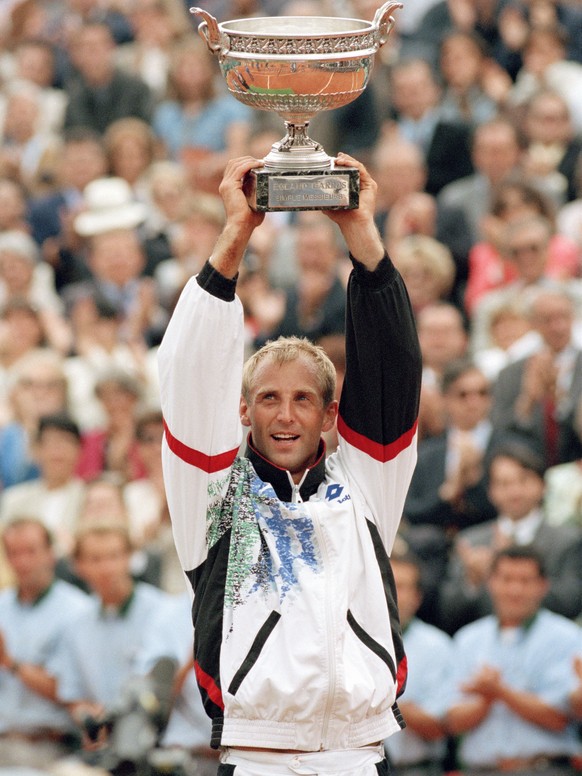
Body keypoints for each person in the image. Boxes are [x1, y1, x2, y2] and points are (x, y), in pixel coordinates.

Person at [158, 153, 422, 774]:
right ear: (243, 414)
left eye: (303, 399)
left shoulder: (365, 485)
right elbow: (189, 370)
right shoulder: (213, 495)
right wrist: (236, 234)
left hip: (360, 755)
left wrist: (360, 233)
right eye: (268, 399)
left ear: (331, 415)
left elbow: (393, 368)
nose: (285, 415)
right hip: (257, 757)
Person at [445, 544, 582, 776]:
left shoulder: (567, 637)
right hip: (480, 770)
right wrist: (487, 700)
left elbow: (561, 717)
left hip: (546, 769)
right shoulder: (468, 639)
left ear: (543, 586)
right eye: (506, 579)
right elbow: (452, 722)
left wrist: (500, 692)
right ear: (491, 583)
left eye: (525, 581)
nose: (515, 590)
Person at [438, 444, 582, 634]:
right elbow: (448, 611)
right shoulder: (471, 541)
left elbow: (571, 601)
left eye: (524, 481)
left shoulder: (568, 540)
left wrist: (513, 568)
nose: (515, 492)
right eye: (504, 483)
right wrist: (473, 581)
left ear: (543, 486)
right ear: (491, 492)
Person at [0, 517, 91, 770]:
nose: (22, 562)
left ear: (51, 554)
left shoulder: (78, 611)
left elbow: (71, 692)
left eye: (30, 551)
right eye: (13, 553)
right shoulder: (2, 606)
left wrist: (11, 664)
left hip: (49, 746)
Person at [384, 550, 453, 776]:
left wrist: (382, 697)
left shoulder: (438, 646)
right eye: (386, 583)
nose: (391, 592)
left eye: (401, 586)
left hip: (418, 769)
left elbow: (439, 727)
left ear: (417, 597)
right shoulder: (348, 642)